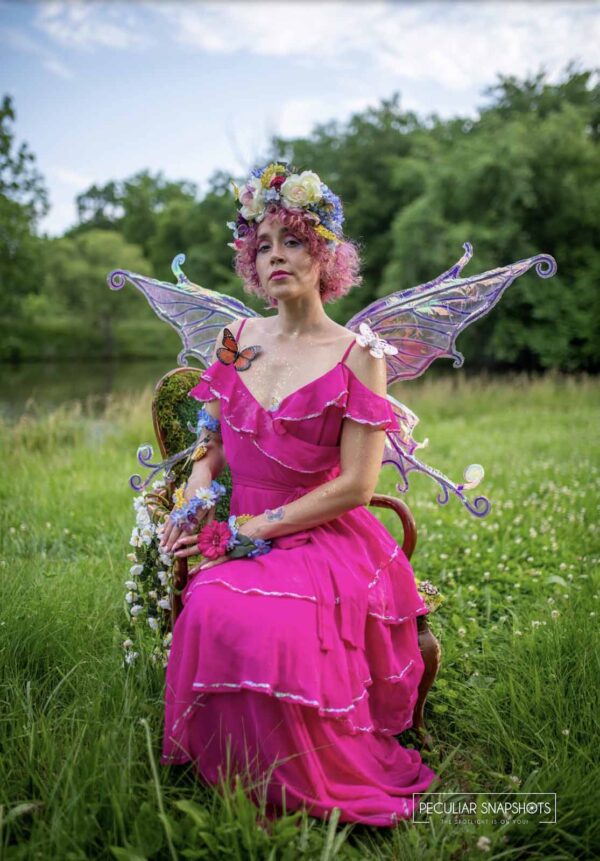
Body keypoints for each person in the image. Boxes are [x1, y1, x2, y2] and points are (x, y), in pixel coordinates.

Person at [157, 162, 438, 826]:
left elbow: (357, 485)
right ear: (249, 262)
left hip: (322, 531)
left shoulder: (358, 352)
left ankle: (297, 774)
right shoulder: (238, 341)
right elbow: (213, 444)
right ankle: (237, 765)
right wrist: (197, 499)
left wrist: (259, 526)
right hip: (246, 524)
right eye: (262, 245)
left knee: (271, 620)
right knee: (213, 604)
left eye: (292, 240)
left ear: (325, 254)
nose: (276, 256)